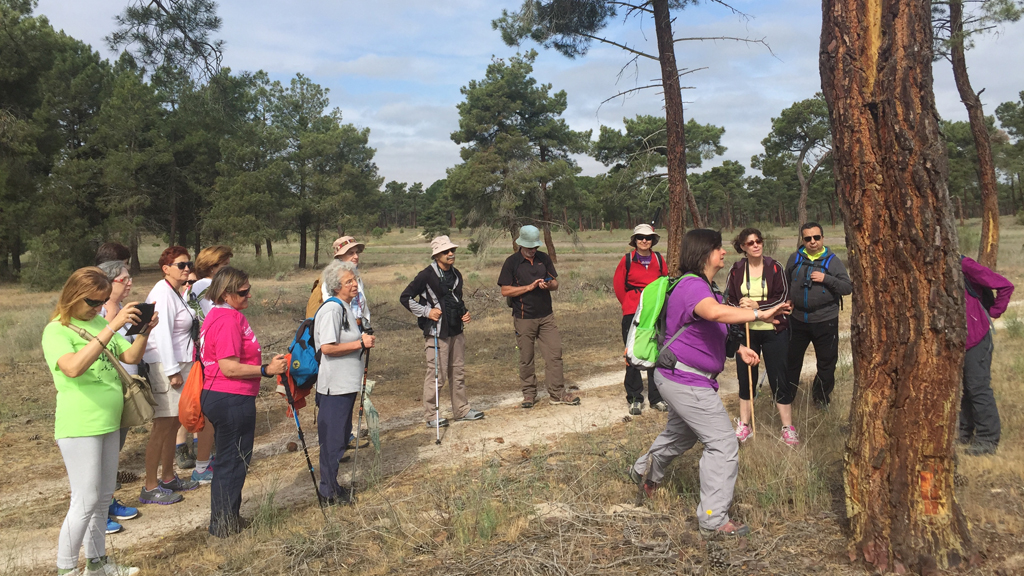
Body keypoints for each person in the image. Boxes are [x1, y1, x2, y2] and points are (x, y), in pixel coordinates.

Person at [628, 229, 790, 538]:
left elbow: (707, 329)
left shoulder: (705, 287)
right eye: (718, 248)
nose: (724, 253)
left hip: (680, 377)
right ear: (705, 253)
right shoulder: (692, 286)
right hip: (686, 380)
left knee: (681, 435)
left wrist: (737, 349)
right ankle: (714, 519)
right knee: (723, 443)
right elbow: (713, 313)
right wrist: (758, 313)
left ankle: (641, 471)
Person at [42, 267, 158, 576]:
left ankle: (98, 563)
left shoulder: (96, 322)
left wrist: (144, 330)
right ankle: (66, 569)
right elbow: (73, 368)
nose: (98, 308)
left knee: (103, 497)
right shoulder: (57, 330)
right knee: (85, 499)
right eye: (94, 302)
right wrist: (112, 326)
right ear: (74, 296)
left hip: (110, 421)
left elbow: (130, 357)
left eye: (103, 301)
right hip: (80, 425)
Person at [199, 266, 288, 536]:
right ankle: (224, 524)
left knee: (231, 459)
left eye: (249, 289)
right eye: (243, 291)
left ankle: (228, 519)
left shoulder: (219, 315)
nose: (249, 295)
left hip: (224, 395)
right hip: (230, 396)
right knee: (233, 461)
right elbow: (229, 367)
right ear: (226, 294)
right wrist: (266, 370)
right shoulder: (227, 320)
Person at [399, 235, 485, 428]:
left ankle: (462, 410)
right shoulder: (426, 275)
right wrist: (427, 312)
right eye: (446, 251)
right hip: (437, 333)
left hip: (456, 331)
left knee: (458, 372)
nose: (450, 254)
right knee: (437, 375)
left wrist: (465, 313)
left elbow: (456, 300)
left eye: (452, 250)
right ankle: (431, 416)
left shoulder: (456, 275)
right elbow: (405, 298)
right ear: (436, 255)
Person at [725, 228, 798, 445]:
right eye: (750, 243)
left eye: (758, 241)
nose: (756, 245)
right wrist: (745, 309)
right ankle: (745, 426)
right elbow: (729, 301)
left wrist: (759, 307)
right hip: (747, 332)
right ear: (743, 247)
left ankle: (787, 428)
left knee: (779, 377)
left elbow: (784, 298)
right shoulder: (736, 270)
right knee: (746, 378)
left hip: (775, 331)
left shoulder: (775, 267)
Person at [140, 246, 200, 505]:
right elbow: (160, 334)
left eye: (189, 264)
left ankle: (167, 477)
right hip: (167, 366)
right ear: (166, 268)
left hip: (181, 363)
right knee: (162, 426)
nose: (187, 269)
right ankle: (150, 486)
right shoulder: (162, 294)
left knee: (175, 423)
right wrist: (172, 370)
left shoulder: (175, 293)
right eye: (181, 265)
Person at [497, 225, 579, 408]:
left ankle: (557, 393)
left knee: (554, 354)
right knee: (526, 357)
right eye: (529, 247)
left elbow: (555, 283)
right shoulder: (512, 262)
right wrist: (528, 287)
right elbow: (505, 290)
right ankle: (529, 394)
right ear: (520, 245)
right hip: (524, 317)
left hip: (546, 316)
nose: (532, 251)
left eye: (535, 247)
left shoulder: (544, 259)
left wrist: (548, 285)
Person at [315, 260, 376, 504]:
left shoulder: (345, 307)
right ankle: (328, 491)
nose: (354, 284)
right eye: (348, 281)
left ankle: (333, 487)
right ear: (335, 286)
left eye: (355, 280)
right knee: (332, 440)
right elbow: (328, 348)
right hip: (335, 387)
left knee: (339, 438)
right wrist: (360, 343)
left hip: (345, 385)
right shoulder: (332, 309)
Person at [784, 223, 853, 408]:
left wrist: (826, 279)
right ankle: (787, 397)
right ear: (803, 240)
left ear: (822, 238)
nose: (813, 242)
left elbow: (847, 287)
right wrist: (789, 298)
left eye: (816, 237)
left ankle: (821, 398)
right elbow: (786, 282)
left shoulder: (832, 261)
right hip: (797, 319)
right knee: (791, 360)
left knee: (826, 363)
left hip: (825, 320)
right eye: (808, 238)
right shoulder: (795, 258)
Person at [95, 261, 141, 534]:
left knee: (114, 449)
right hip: (102, 390)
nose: (130, 283)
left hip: (124, 387)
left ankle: (109, 500)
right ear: (109, 282)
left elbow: (130, 351)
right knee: (99, 454)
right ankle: (99, 511)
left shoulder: (124, 311)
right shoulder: (98, 313)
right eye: (124, 279)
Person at [180, 245, 233, 481]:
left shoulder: (204, 286)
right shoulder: (204, 286)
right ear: (213, 266)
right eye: (225, 264)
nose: (229, 268)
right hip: (208, 354)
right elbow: (218, 315)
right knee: (210, 409)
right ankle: (202, 465)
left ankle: (209, 459)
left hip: (209, 351)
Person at [959, 255, 1015, 456]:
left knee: (978, 387)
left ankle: (987, 440)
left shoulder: (964, 265)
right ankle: (963, 433)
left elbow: (1005, 286)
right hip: (956, 340)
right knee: (962, 389)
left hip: (977, 338)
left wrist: (993, 313)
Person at [613, 224, 669, 415]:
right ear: (634, 240)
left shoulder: (659, 259)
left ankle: (657, 397)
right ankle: (635, 397)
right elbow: (619, 287)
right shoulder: (627, 260)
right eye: (640, 237)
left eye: (648, 237)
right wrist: (630, 303)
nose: (644, 241)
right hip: (632, 312)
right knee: (632, 353)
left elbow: (664, 284)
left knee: (655, 351)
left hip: (654, 313)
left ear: (653, 240)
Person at [307, 236, 371, 328]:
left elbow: (363, 308)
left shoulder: (356, 277)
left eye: (357, 252)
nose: (356, 256)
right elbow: (331, 310)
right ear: (340, 256)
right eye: (351, 253)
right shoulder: (331, 278)